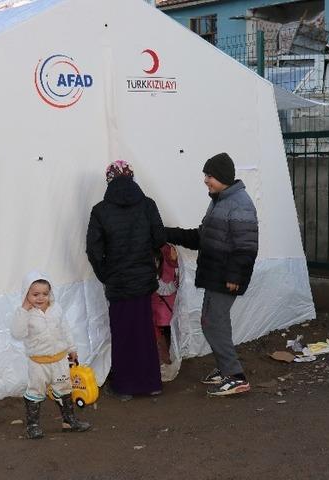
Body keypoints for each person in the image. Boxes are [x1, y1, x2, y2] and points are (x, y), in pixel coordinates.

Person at [164, 152, 259, 396]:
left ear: (224, 177)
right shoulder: (219, 200)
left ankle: (236, 376)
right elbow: (203, 237)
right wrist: (168, 233)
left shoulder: (240, 203)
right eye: (206, 175)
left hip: (227, 277)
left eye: (210, 176)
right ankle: (225, 368)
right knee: (211, 322)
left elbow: (246, 246)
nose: (206, 180)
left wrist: (235, 277)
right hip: (215, 274)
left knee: (213, 323)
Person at [86, 160, 166, 400]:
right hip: (143, 281)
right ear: (132, 177)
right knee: (145, 332)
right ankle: (152, 383)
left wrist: (105, 274)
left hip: (118, 283)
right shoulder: (147, 204)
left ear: (109, 180)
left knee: (122, 333)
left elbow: (93, 250)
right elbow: (159, 237)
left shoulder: (100, 210)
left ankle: (125, 387)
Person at [10, 271, 91, 439]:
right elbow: (17, 333)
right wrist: (24, 309)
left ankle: (69, 421)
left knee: (64, 389)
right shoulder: (24, 314)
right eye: (35, 294)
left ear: (50, 293)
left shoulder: (56, 309)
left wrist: (72, 348)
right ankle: (33, 426)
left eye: (45, 294)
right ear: (26, 294)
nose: (40, 298)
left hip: (59, 360)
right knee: (36, 391)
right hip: (38, 363)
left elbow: (65, 330)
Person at [151, 244, 179, 365]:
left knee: (162, 330)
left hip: (161, 306)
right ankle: (163, 358)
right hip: (159, 306)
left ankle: (163, 357)